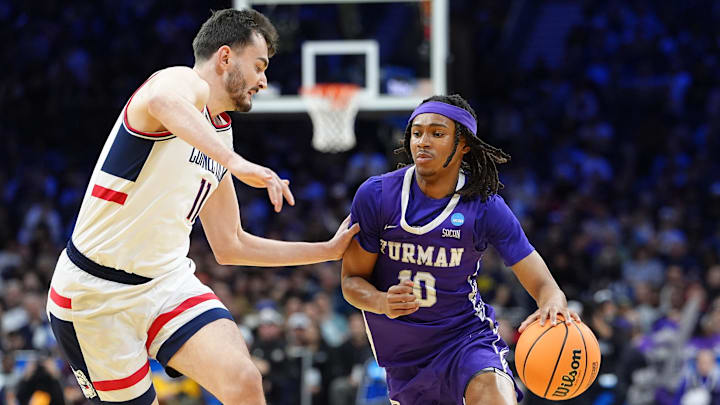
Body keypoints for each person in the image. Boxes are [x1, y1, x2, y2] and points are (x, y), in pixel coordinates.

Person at [45, 8, 359, 405]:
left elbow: (232, 245)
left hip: (165, 283)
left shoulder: (220, 133)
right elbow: (162, 100)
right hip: (95, 295)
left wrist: (326, 251)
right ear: (225, 57)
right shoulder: (180, 82)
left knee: (244, 380)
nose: (264, 81)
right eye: (259, 66)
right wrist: (236, 163)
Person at [341, 94, 581, 405]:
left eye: (437, 133)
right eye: (417, 133)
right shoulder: (377, 195)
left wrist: (552, 303)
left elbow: (544, 285)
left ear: (464, 144)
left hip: (465, 338)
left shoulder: (484, 206)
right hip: (404, 358)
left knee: (495, 394)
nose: (422, 142)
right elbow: (350, 282)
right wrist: (381, 301)